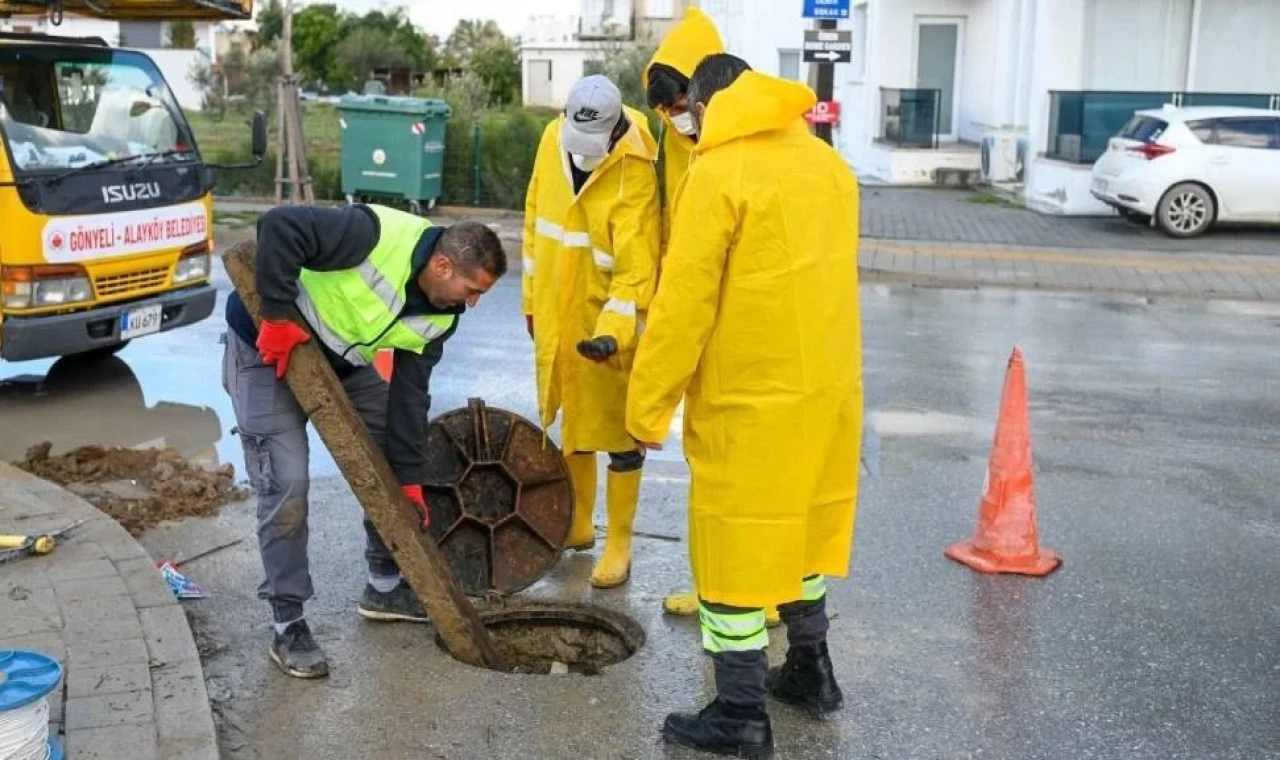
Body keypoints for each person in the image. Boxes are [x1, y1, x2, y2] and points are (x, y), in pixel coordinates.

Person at [626, 54, 863, 758]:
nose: (692, 127)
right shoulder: (829, 168)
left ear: (706, 104)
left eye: (692, 115)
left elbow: (682, 308)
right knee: (800, 535)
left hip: (750, 399)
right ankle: (812, 671)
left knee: (733, 550)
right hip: (826, 392)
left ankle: (738, 711)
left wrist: (646, 409)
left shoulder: (720, 173)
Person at [222, 203, 506, 679]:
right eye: (472, 288)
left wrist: (409, 478)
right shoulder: (373, 235)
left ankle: (384, 584)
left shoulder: (443, 315)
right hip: (264, 345)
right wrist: (273, 317)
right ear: (442, 265)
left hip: (342, 360)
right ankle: (288, 621)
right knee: (287, 483)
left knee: (393, 462)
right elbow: (278, 226)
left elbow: (409, 400)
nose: (472, 302)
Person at [522, 75, 661, 589]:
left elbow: (636, 268)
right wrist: (531, 302)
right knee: (573, 421)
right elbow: (537, 218)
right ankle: (578, 525)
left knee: (622, 434)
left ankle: (619, 543)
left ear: (615, 127)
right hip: (558, 315)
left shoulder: (636, 169)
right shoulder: (552, 138)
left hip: (609, 325)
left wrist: (614, 332)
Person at [641, 6, 724, 253]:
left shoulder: (741, 138)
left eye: (679, 107)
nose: (674, 118)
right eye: (666, 111)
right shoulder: (673, 138)